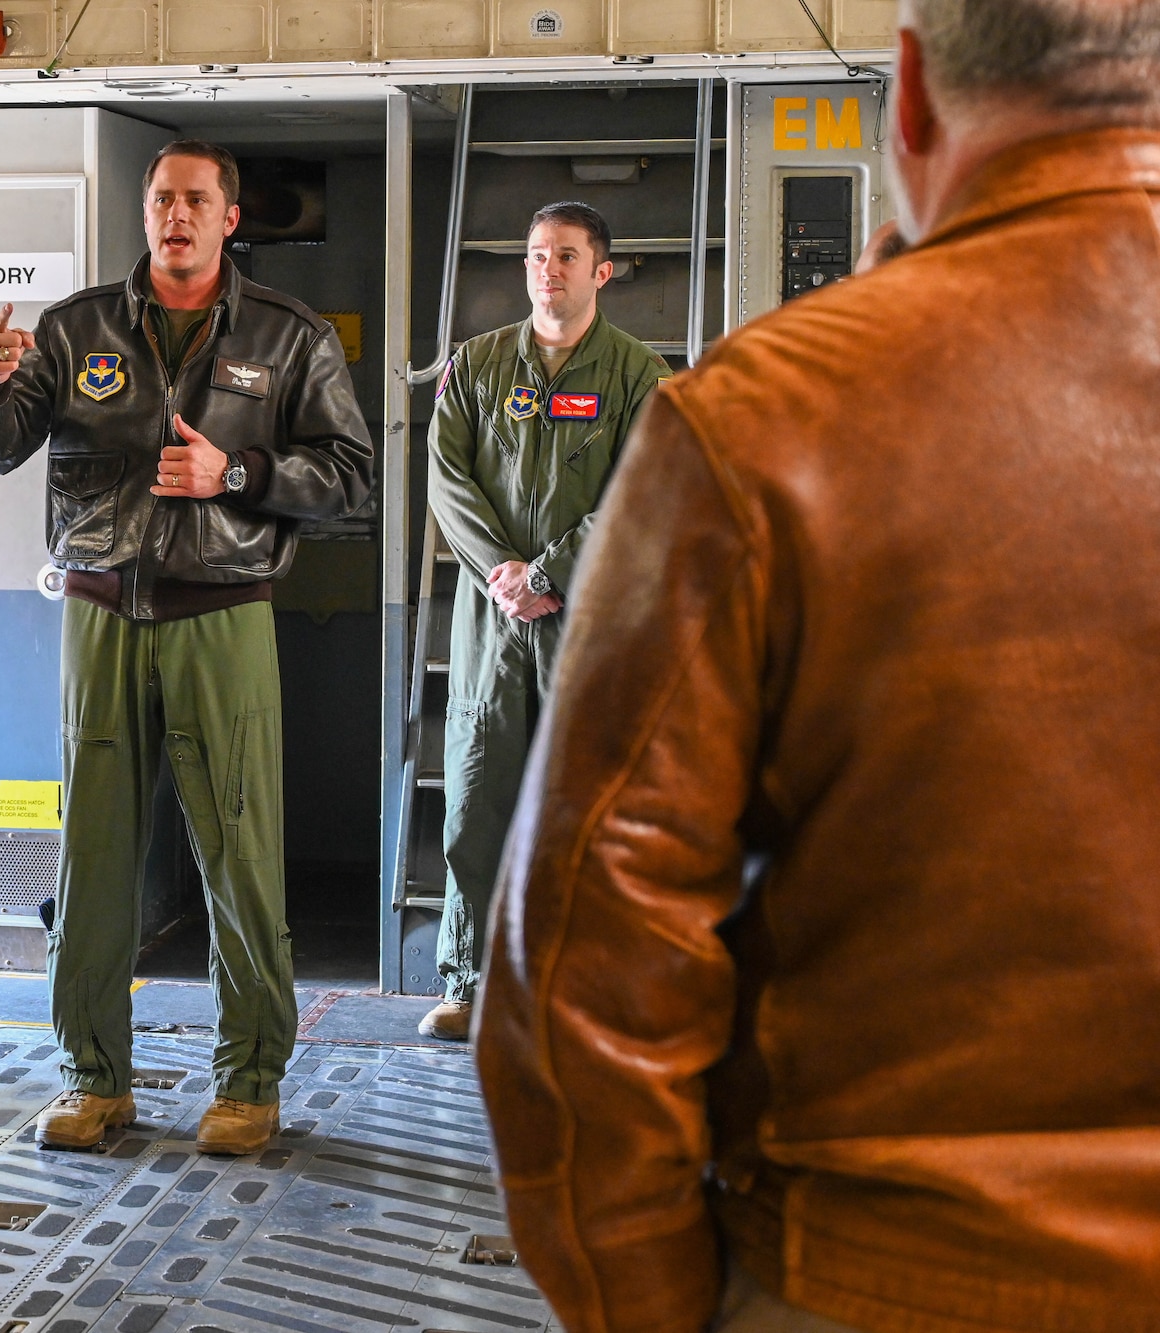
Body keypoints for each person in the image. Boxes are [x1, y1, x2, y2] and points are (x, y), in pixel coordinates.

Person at [474, 1, 1160, 1330]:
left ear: (906, 98)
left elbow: (578, 980)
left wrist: (667, 1310)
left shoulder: (763, 419)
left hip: (872, 1275)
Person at [0, 140, 373, 1155]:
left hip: (218, 615)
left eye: (193, 200)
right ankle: (94, 1078)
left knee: (237, 852)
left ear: (230, 217)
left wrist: (234, 474)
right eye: (159, 200)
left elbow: (350, 479)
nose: (172, 215)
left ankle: (247, 1081)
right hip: (98, 613)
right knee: (92, 855)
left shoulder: (287, 334)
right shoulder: (73, 328)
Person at [418, 201, 668, 1042]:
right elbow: (447, 480)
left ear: (602, 271)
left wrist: (552, 573)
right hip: (493, 619)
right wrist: (503, 573)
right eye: (534, 254)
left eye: (565, 255)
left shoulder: (638, 374)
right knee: (478, 796)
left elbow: (644, 491)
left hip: (589, 621)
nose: (546, 268)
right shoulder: (479, 365)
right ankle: (468, 979)